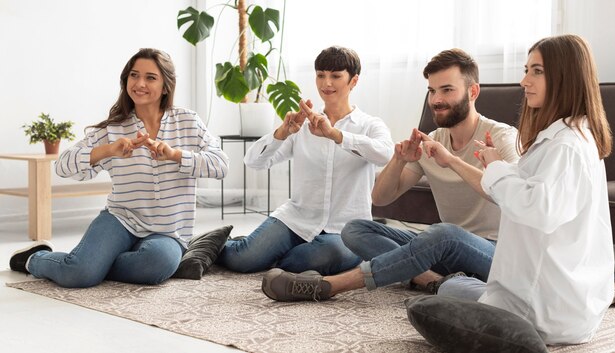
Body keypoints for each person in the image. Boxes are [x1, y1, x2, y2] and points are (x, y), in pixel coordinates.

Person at [261, 48, 519, 301]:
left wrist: (451, 161)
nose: (436, 100)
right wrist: (398, 160)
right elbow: (381, 198)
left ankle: (330, 286)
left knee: (444, 233)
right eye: (432, 91)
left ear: (472, 92)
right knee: (355, 230)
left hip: (495, 252)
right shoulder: (433, 141)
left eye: (447, 90)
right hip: (443, 251)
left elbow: (515, 198)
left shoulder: (501, 136)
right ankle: (429, 280)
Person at [427, 34, 613, 345]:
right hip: (560, 303)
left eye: (536, 71)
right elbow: (536, 191)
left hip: (544, 311)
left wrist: (498, 169)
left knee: (432, 305)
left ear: (565, 76)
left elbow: (538, 209)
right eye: (526, 69)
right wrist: (498, 165)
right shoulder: (568, 136)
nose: (524, 80)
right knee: (450, 289)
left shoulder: (566, 145)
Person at [9, 48, 229, 288]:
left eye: (150, 77)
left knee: (158, 264)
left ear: (166, 86)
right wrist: (108, 150)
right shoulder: (113, 129)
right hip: (120, 220)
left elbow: (220, 165)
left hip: (167, 233)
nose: (139, 83)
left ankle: (91, 263)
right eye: (134, 76)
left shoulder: (188, 121)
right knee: (78, 276)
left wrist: (175, 155)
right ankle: (35, 258)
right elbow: (62, 166)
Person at [217, 46, 394, 276]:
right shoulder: (302, 127)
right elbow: (253, 161)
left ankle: (274, 256)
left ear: (354, 81)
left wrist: (335, 135)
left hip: (345, 230)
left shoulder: (370, 125)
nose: (326, 83)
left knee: (325, 256)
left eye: (335, 76)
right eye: (320, 75)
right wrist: (282, 132)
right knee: (241, 260)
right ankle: (222, 245)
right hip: (296, 219)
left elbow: (384, 154)